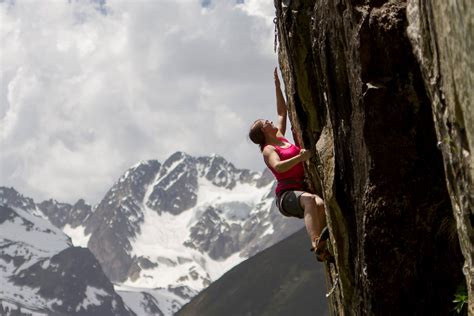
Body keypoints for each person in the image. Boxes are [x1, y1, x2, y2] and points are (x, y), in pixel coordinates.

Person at [248, 68, 332, 262]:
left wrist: (277, 86)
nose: (270, 121)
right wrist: (300, 159)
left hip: (300, 191)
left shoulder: (279, 137)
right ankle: (316, 243)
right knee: (311, 201)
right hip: (286, 196)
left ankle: (323, 247)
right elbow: (278, 167)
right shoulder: (269, 149)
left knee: (319, 204)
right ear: (264, 132)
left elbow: (281, 112)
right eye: (265, 123)